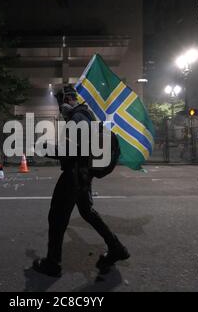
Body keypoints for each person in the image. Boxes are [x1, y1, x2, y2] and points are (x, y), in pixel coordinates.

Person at [33, 86, 129, 277]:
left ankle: (53, 263)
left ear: (68, 100)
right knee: (87, 213)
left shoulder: (77, 119)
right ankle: (116, 247)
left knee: (57, 218)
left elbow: (71, 150)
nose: (60, 108)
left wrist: (45, 149)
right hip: (84, 174)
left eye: (61, 104)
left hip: (73, 175)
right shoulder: (86, 117)